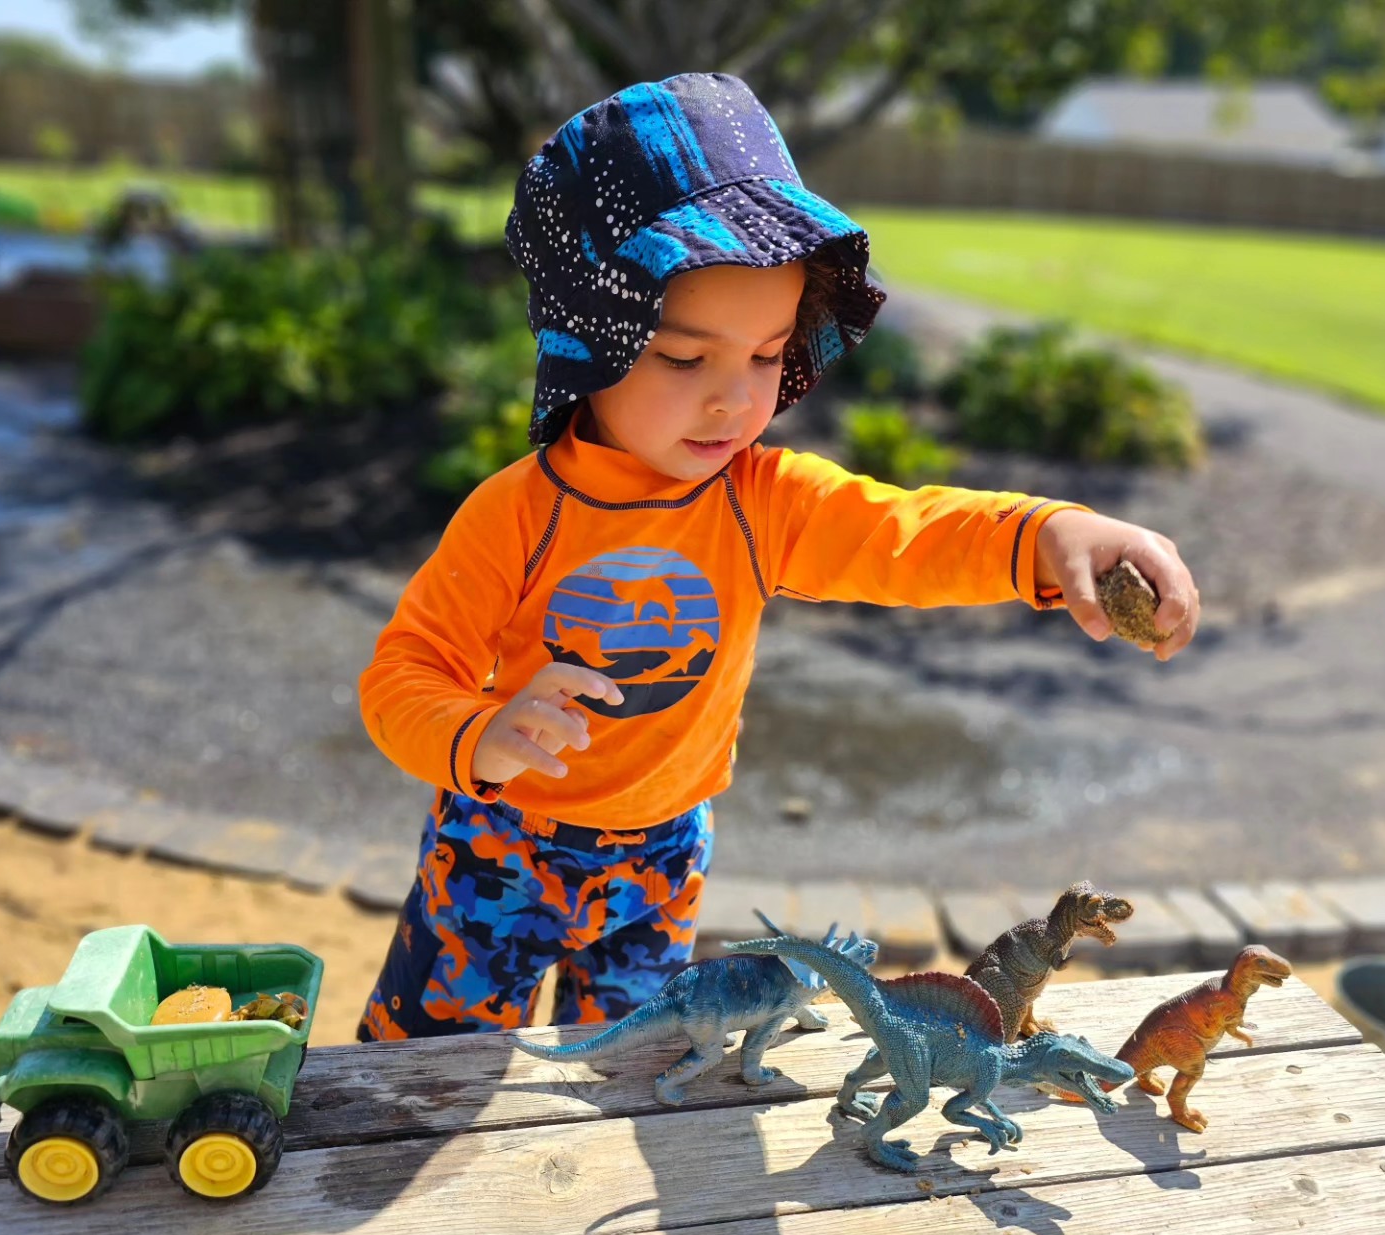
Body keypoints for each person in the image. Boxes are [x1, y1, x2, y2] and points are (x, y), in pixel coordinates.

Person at [355, 73, 1198, 1043]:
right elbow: (403, 675)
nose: (736, 399)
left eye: (766, 354)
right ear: (592, 338)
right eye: (685, 358)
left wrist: (1047, 534)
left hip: (662, 856)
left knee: (626, 1067)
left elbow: (906, 533)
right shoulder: (519, 514)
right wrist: (477, 733)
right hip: (500, 851)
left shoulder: (761, 501)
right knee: (426, 1071)